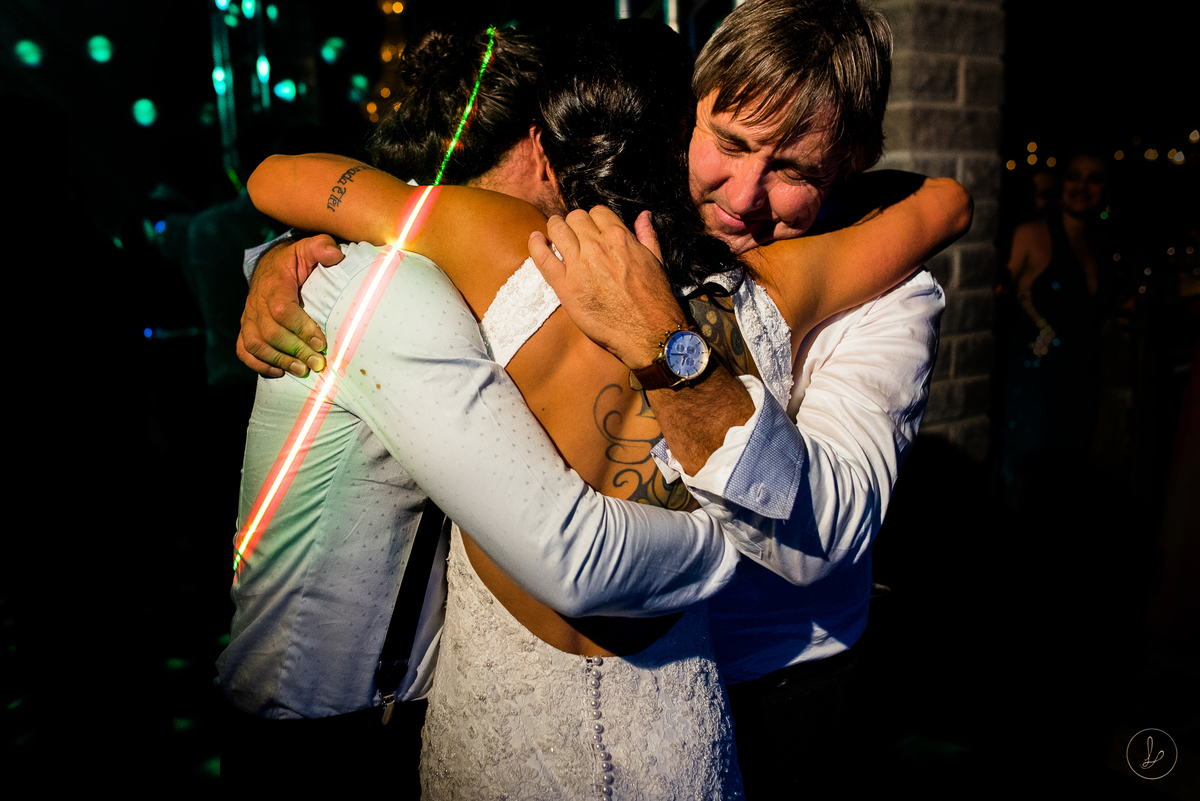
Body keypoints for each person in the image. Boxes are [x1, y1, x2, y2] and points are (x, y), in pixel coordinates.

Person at [240, 1, 972, 794]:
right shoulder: (778, 286)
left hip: (774, 689)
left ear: (546, 151)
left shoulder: (485, 237)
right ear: (685, 123)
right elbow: (945, 205)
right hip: (675, 717)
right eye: (729, 144)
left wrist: (331, 243)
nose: (746, 192)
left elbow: (279, 176)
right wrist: (299, 261)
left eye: (796, 169)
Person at [999, 151, 1113, 508]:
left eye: (1093, 179)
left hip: (1080, 382)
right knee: (1027, 487)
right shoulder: (1031, 234)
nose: (1082, 187)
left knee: (1066, 492)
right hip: (1034, 385)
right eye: (1073, 176)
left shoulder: (1100, 242)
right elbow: (997, 299)